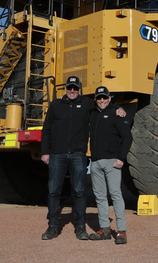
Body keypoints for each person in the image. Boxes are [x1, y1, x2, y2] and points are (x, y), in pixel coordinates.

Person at [40, 76, 124, 241]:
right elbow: (46, 130)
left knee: (79, 192)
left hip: (78, 155)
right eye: (69, 87)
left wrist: (118, 107)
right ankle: (52, 227)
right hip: (57, 154)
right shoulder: (56, 105)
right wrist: (45, 151)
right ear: (65, 88)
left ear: (79, 89)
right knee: (53, 191)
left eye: (75, 88)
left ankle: (80, 228)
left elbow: (103, 103)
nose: (72, 91)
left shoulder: (87, 104)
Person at [88, 86, 132, 245]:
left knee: (115, 195)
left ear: (109, 98)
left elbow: (127, 137)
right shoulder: (92, 114)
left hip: (112, 162)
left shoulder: (116, 114)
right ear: (95, 99)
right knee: (100, 197)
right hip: (95, 163)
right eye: (99, 98)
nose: (102, 100)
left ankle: (121, 231)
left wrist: (121, 158)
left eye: (105, 97)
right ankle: (105, 230)